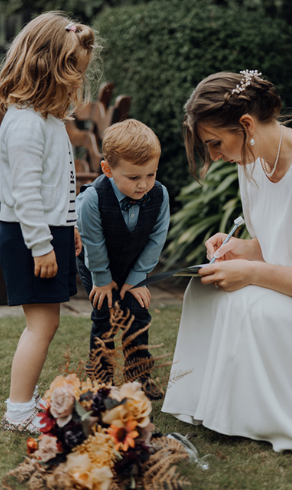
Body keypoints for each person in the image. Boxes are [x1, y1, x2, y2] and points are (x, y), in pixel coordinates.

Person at [162, 70, 292, 451]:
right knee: (209, 292)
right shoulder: (253, 163)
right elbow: (286, 243)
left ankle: (261, 412)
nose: (214, 156)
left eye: (215, 143)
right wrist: (244, 250)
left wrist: (253, 272)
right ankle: (221, 405)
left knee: (250, 302)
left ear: (246, 124)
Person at [0, 11, 94, 433]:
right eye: (73, 75)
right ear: (46, 68)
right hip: (29, 235)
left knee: (45, 322)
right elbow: (26, 194)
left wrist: (68, 226)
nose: (76, 85)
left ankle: (23, 403)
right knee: (42, 324)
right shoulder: (25, 126)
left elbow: (58, 186)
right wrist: (41, 245)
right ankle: (18, 411)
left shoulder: (48, 121)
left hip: (47, 232)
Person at [76, 119, 169, 399]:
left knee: (137, 314)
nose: (144, 185)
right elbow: (93, 242)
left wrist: (137, 278)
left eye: (150, 175)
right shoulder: (92, 199)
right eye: (133, 178)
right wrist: (103, 281)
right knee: (104, 316)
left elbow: (156, 238)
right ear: (107, 169)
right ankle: (101, 381)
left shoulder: (160, 194)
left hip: (133, 267)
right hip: (97, 267)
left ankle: (139, 377)